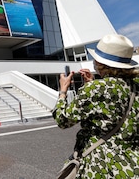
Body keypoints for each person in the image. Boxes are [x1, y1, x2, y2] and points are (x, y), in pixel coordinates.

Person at [53, 34, 139, 178]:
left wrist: (63, 91)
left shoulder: (96, 89)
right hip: (131, 164)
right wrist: (91, 84)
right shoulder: (135, 86)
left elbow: (63, 120)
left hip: (101, 165)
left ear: (101, 64)